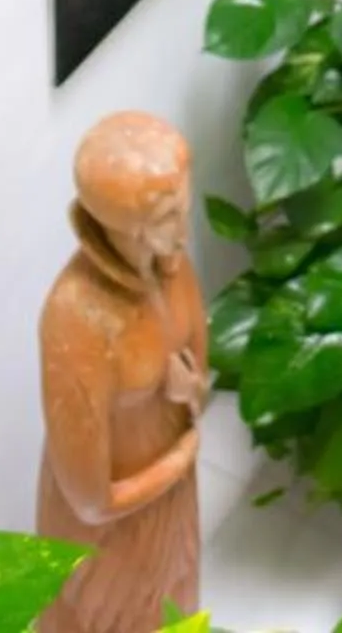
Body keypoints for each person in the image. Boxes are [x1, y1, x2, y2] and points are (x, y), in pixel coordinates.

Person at [36, 111, 208, 633]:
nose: (183, 230)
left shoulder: (172, 265)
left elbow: (199, 381)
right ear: (124, 226)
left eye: (184, 206)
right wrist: (184, 454)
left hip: (171, 509)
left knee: (177, 610)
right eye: (166, 217)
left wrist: (189, 390)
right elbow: (91, 500)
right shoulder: (76, 319)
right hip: (108, 541)